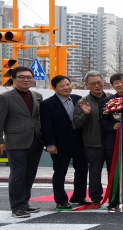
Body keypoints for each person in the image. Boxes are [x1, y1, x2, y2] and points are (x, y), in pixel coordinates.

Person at [0, 67, 43, 218]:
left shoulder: (37, 95)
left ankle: (25, 202)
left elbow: (38, 118)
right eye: (22, 77)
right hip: (16, 141)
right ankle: (17, 207)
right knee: (18, 174)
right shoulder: (5, 97)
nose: (26, 80)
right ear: (13, 79)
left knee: (30, 174)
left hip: (36, 140)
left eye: (29, 77)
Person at [41, 76, 84, 209]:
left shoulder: (78, 99)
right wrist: (50, 144)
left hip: (79, 140)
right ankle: (61, 200)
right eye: (62, 86)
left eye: (68, 84)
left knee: (82, 169)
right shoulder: (47, 104)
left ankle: (79, 196)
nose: (66, 87)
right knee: (60, 171)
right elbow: (46, 126)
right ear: (54, 88)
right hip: (59, 143)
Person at [71, 71, 107, 207]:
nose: (97, 86)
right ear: (86, 85)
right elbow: (77, 124)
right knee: (95, 171)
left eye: (99, 82)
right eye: (93, 84)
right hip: (92, 142)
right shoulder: (83, 102)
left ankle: (115, 196)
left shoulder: (111, 99)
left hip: (110, 142)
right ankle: (96, 197)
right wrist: (86, 114)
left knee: (114, 171)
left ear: (103, 82)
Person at [99, 73, 123, 211]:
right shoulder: (107, 100)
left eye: (122, 81)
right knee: (113, 170)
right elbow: (102, 120)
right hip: (113, 140)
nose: (120, 84)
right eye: (116, 83)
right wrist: (112, 127)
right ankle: (114, 200)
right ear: (113, 85)